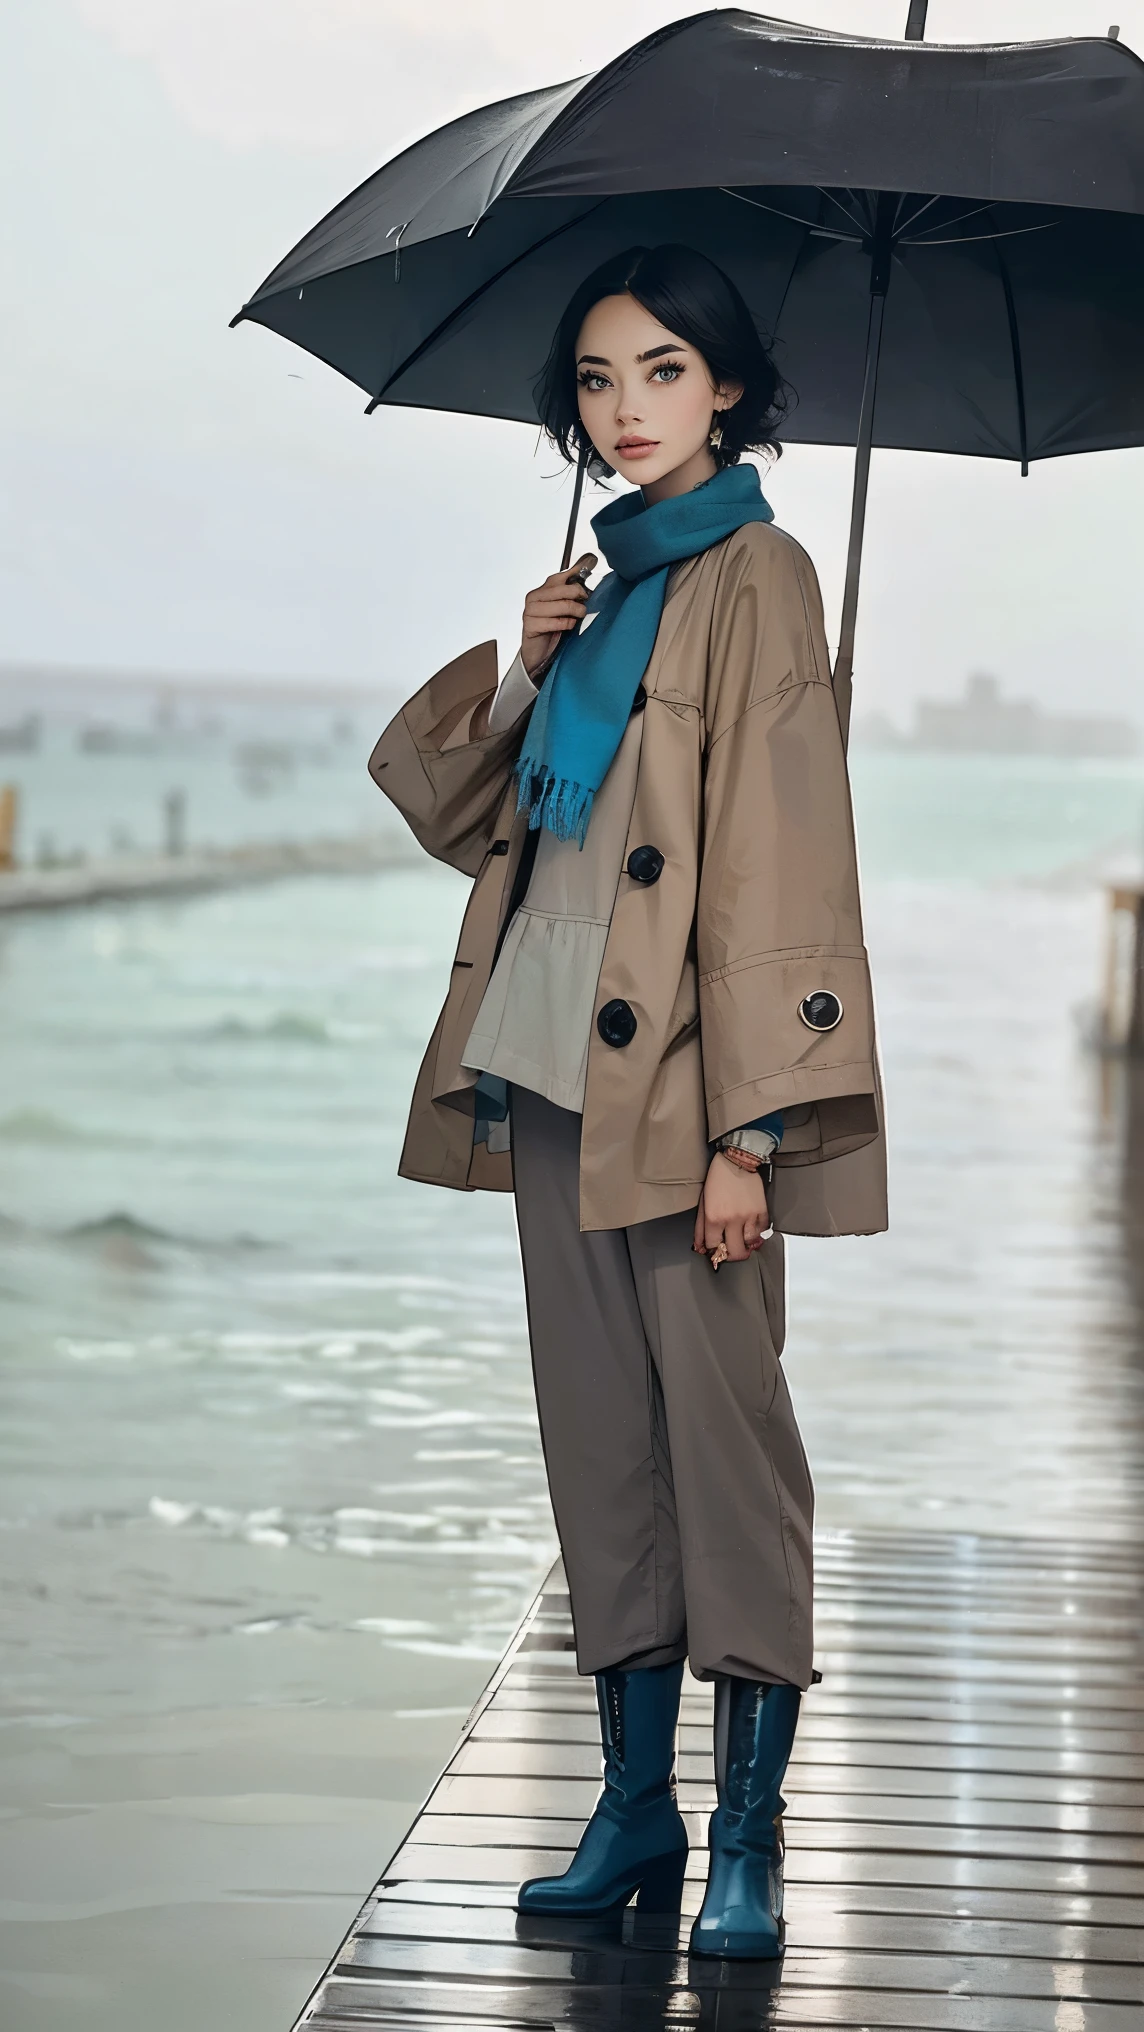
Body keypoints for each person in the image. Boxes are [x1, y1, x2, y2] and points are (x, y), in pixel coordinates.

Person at [370, 243, 885, 1960]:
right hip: (548, 1063)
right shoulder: (599, 592)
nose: (626, 411)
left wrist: (755, 1131)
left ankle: (747, 1832)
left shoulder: (762, 574)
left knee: (726, 1448)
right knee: (601, 1443)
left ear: (726, 386)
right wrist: (525, 669)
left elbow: (780, 866)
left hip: (689, 1091)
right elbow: (470, 816)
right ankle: (633, 1807)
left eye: (662, 372)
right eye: (597, 382)